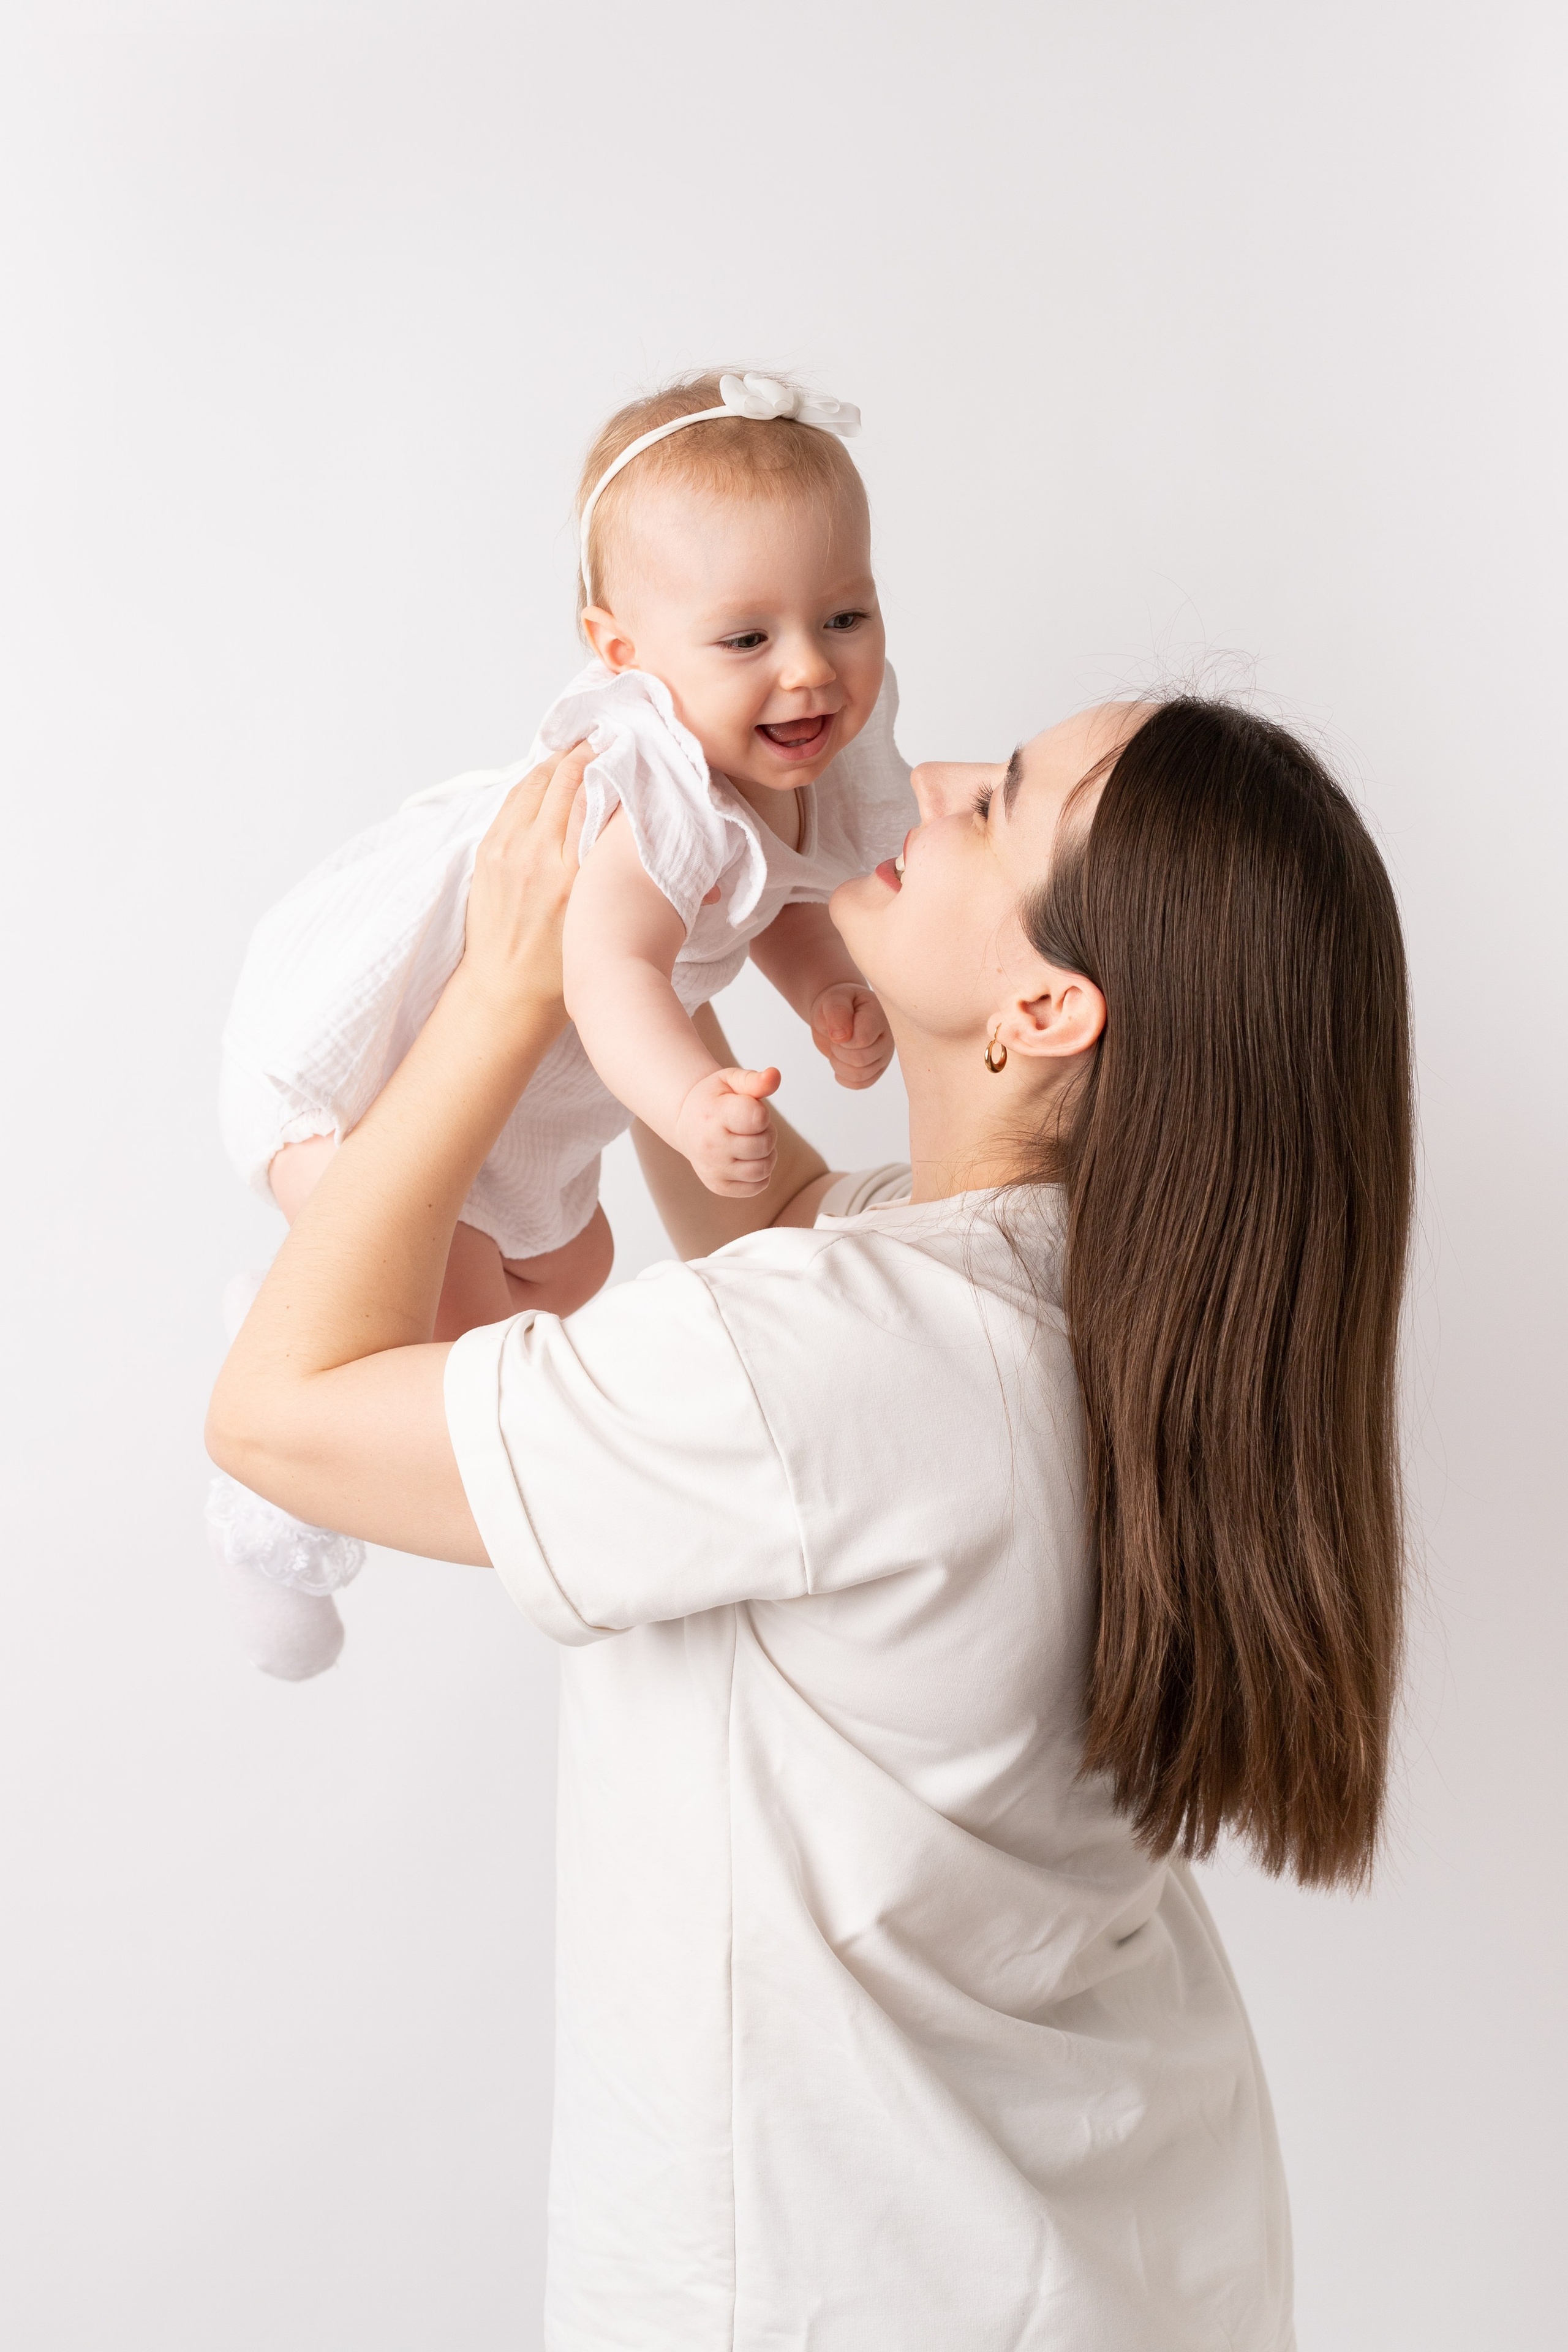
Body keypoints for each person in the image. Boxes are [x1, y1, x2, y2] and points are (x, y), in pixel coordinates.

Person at [207, 691, 1414, 2350]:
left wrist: (505, 991)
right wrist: (663, 936)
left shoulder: (843, 1362)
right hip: (1129, 2258)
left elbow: (279, 1414)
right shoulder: (1097, 1315)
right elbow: (772, 1225)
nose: (915, 784)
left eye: (990, 806)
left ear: (1050, 1006)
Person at [209, 369, 914, 1672]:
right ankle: (278, 1471)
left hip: (532, 1091)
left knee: (570, 1275)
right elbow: (610, 976)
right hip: (379, 1060)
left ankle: (322, 1332)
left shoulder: (796, 763)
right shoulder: (647, 791)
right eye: (745, 638)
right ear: (621, 654)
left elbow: (772, 895)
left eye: (845, 614)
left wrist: (825, 990)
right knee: (456, 1325)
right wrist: (688, 1103)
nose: (809, 668)